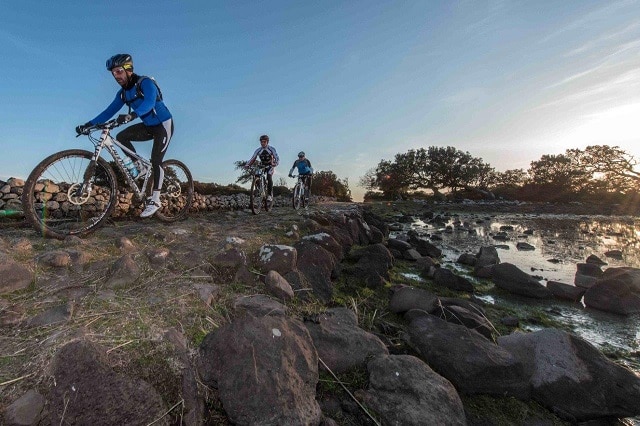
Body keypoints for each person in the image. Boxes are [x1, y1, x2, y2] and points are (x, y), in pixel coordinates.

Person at [75, 53, 174, 218]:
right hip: (148, 126)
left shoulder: (145, 83)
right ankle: (139, 166)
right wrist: (88, 124)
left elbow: (149, 103)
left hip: (163, 125)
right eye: (113, 73)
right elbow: (109, 111)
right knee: (121, 136)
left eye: (119, 71)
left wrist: (132, 116)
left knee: (156, 160)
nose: (116, 76)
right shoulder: (123, 93)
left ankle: (156, 199)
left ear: (129, 69)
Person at [245, 134, 279, 202]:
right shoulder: (258, 150)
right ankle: (260, 189)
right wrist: (247, 165)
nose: (262, 143)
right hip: (262, 165)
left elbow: (276, 157)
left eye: (264, 142)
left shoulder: (271, 149)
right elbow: (253, 158)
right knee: (256, 176)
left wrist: (275, 163)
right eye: (261, 142)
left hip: (270, 165)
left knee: (269, 177)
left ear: (267, 142)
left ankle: (269, 195)